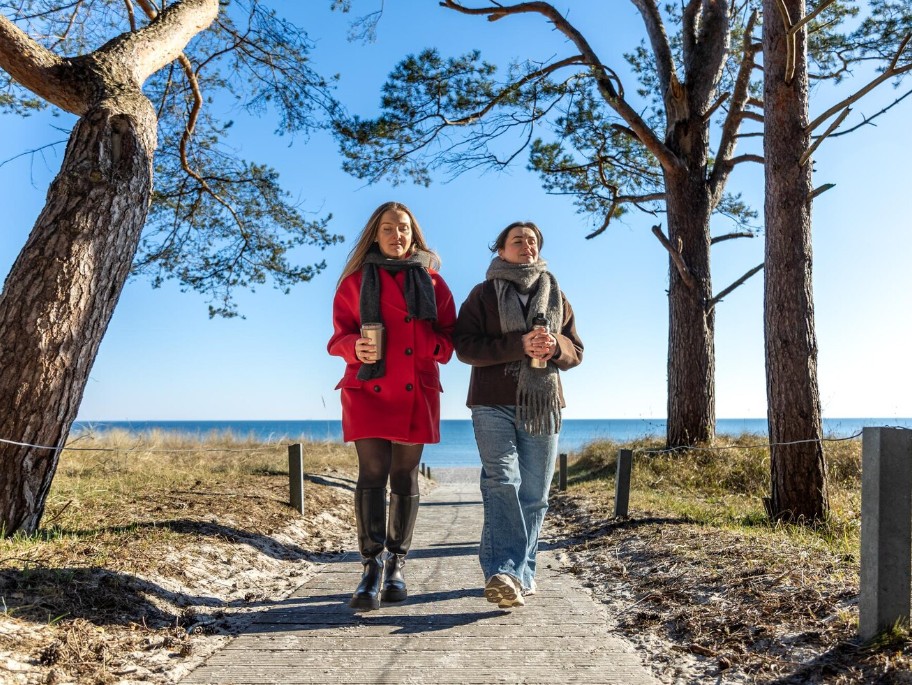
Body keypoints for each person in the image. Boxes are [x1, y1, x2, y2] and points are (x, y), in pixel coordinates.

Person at [328, 201, 456, 611]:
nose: (396, 235)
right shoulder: (353, 282)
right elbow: (337, 339)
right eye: (388, 228)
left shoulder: (434, 282)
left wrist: (431, 345)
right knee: (373, 471)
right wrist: (355, 348)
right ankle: (370, 566)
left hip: (416, 388)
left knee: (404, 475)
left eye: (403, 229)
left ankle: (397, 565)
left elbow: (451, 338)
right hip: (367, 389)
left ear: (413, 235)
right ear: (375, 234)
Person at [453, 220, 583, 608]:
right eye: (517, 240)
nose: (526, 245)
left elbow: (576, 350)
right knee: (502, 481)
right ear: (501, 251)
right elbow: (465, 346)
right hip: (491, 401)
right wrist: (520, 345)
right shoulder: (482, 295)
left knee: (535, 494)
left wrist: (554, 347)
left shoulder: (557, 294)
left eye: (532, 241)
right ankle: (503, 572)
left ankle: (523, 573)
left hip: (542, 405)